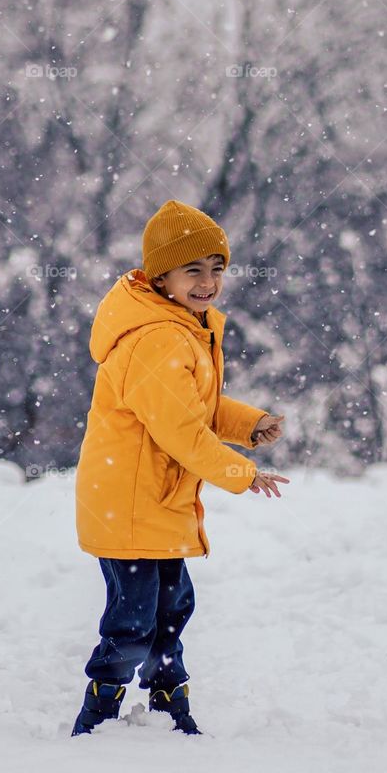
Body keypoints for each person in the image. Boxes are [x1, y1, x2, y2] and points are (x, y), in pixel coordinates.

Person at [72, 198, 289, 736]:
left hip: (158, 501)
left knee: (173, 607)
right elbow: (182, 432)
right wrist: (242, 472)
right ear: (159, 274)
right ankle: (98, 712)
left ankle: (170, 702)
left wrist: (248, 424)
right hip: (130, 505)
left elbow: (197, 408)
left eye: (217, 269)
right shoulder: (157, 338)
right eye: (193, 269)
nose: (208, 281)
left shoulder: (183, 325)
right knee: (134, 619)